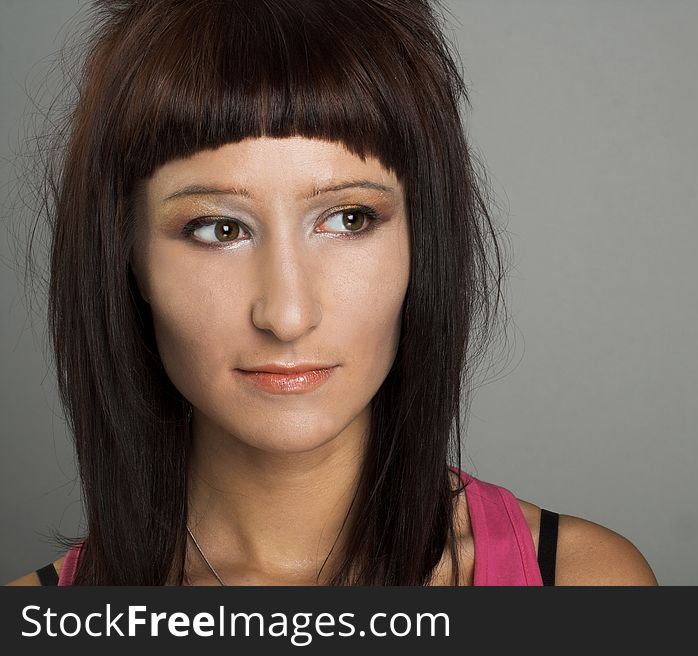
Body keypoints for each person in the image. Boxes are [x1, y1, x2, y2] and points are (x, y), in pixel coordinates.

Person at [7, 0, 657, 586]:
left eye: (349, 219)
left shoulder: (584, 586)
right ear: (128, 256)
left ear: (421, 238)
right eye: (220, 228)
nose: (288, 316)